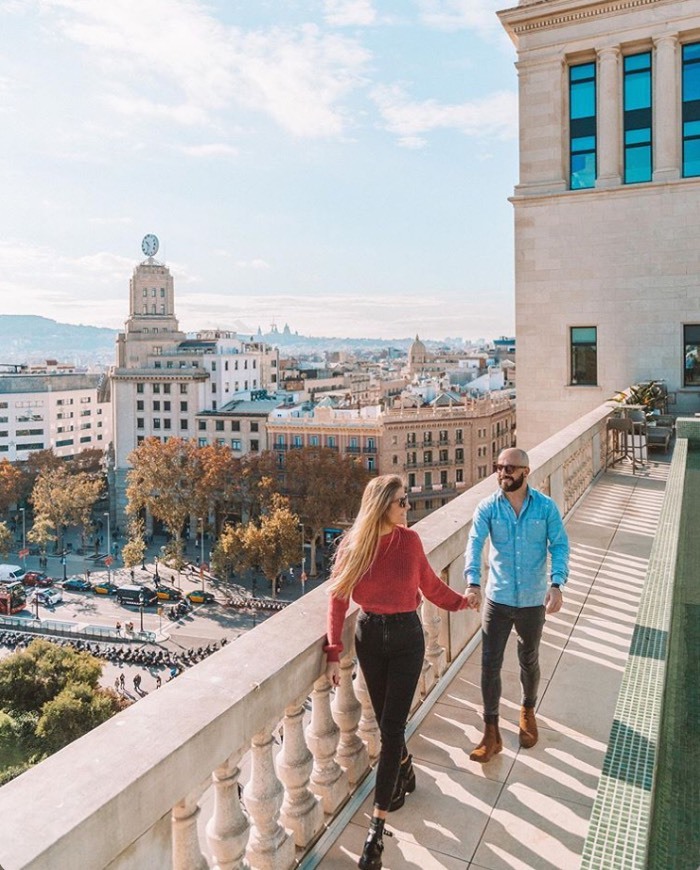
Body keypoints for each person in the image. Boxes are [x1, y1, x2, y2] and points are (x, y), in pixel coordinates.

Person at [324, 474, 473, 870]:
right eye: (402, 502)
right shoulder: (356, 547)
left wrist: (461, 603)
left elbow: (429, 587)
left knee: (390, 729)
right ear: (382, 507)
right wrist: (333, 651)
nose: (408, 507)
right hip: (370, 637)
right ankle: (403, 770)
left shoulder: (411, 542)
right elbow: (338, 599)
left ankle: (375, 831)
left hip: (408, 637)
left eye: (407, 501)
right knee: (388, 722)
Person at [464, 447, 570, 764]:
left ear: (525, 471)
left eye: (509, 467)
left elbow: (561, 544)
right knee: (489, 665)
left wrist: (557, 583)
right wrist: (472, 581)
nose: (503, 473)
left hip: (532, 601)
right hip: (497, 599)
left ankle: (527, 710)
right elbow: (474, 542)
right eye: (499, 467)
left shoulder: (546, 508)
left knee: (529, 658)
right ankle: (491, 731)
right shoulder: (487, 507)